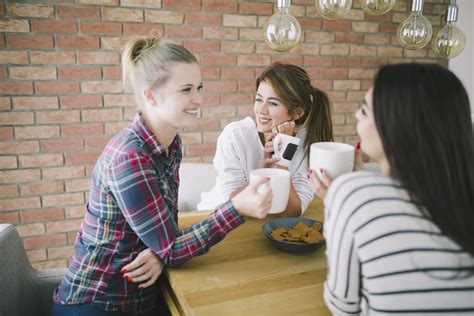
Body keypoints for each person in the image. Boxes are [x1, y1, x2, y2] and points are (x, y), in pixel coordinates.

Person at [52, 34, 273, 316]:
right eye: (186, 89)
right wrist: (237, 207)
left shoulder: (170, 142)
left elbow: (166, 235)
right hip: (99, 302)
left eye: (199, 87)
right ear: (151, 95)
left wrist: (162, 252)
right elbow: (172, 248)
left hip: (143, 296)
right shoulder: (130, 158)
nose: (199, 98)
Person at [309, 63, 474, 315]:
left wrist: (341, 202)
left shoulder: (351, 194)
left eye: (364, 111)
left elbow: (343, 307)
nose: (355, 117)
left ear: (396, 125)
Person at [198, 63, 333, 216]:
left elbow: (293, 212)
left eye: (273, 103)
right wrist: (264, 171)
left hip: (262, 223)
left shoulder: (307, 145)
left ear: (296, 113)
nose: (261, 110)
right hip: (212, 218)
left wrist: (281, 162)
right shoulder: (235, 136)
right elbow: (233, 204)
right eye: (259, 99)